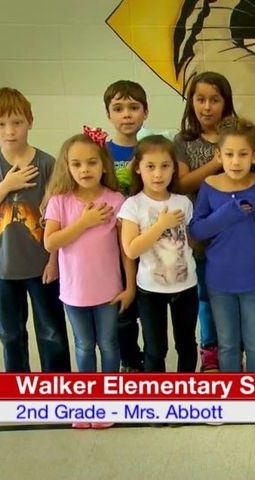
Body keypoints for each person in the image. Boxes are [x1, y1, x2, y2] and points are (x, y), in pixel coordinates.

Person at [0, 87, 70, 373]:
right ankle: (17, 387)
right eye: (0, 124)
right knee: (10, 333)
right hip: (4, 266)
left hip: (42, 266)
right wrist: (5, 186)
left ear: (30, 121)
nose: (10, 131)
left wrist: (54, 261)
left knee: (52, 333)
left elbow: (59, 217)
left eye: (17, 122)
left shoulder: (47, 164)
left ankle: (56, 385)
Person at [43, 127, 134, 428]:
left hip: (108, 290)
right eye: (77, 164)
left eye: (92, 162)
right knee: (83, 346)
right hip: (74, 292)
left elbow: (125, 250)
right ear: (67, 167)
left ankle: (108, 402)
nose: (85, 169)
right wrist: (84, 222)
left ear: (104, 165)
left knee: (108, 344)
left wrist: (130, 286)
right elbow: (50, 242)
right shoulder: (60, 201)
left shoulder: (116, 200)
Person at [189, 118, 255, 373]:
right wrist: (228, 213)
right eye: (229, 154)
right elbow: (196, 230)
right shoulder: (209, 186)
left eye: (243, 154)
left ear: (254, 155)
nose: (236, 161)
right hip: (220, 281)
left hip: (254, 280)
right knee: (227, 346)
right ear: (219, 155)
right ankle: (231, 393)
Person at [118, 135, 199, 373]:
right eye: (150, 166)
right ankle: (156, 390)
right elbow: (131, 249)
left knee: (187, 344)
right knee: (155, 349)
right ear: (138, 169)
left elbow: (191, 241)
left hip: (186, 287)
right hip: (150, 290)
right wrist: (160, 225)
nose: (158, 174)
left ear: (174, 168)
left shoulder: (183, 202)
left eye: (165, 166)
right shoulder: (132, 205)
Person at [174, 71, 237, 372]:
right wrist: (215, 163)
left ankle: (234, 346)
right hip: (199, 234)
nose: (207, 107)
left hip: (236, 233)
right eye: (200, 99)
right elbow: (182, 183)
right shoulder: (183, 141)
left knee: (235, 293)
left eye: (214, 100)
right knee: (207, 296)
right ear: (191, 102)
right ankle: (210, 349)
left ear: (226, 103)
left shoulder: (236, 135)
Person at [103, 79, 149, 372]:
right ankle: (130, 360)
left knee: (149, 305)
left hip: (149, 239)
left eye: (133, 107)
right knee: (123, 307)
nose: (127, 114)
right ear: (108, 114)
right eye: (118, 108)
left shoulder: (152, 150)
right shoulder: (101, 152)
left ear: (146, 112)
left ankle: (152, 357)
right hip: (112, 242)